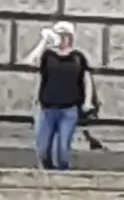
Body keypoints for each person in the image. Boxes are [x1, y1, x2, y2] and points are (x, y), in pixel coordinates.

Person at [26, 22, 90, 171]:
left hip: (69, 109)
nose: (61, 39)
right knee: (42, 149)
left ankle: (63, 173)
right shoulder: (48, 56)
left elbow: (86, 80)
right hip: (47, 109)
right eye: (58, 35)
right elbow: (30, 62)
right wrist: (44, 41)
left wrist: (87, 101)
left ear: (70, 37)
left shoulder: (77, 57)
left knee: (62, 150)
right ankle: (48, 173)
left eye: (64, 36)